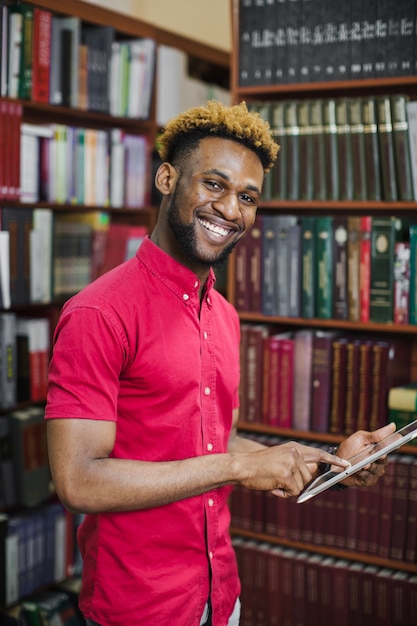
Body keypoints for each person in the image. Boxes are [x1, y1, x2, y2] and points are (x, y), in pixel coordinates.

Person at [45, 101, 394, 626]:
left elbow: (216, 442)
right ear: (167, 177)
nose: (231, 210)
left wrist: (332, 465)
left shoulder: (224, 315)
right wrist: (237, 468)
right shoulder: (99, 312)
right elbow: (78, 480)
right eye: (214, 185)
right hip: (140, 607)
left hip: (220, 594)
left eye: (247, 197)